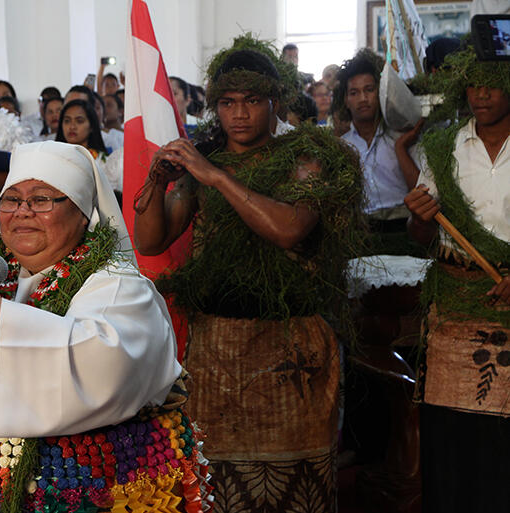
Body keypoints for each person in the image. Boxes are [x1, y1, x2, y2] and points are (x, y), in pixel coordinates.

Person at [0, 140, 210, 511]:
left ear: (82, 212)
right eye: (11, 200)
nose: (22, 212)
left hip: (94, 489)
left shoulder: (121, 286)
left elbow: (99, 364)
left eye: (42, 199)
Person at [133, 39, 364, 512]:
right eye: (228, 103)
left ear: (275, 103)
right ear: (215, 107)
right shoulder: (204, 164)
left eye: (252, 101)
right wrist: (157, 184)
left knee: (297, 486)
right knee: (219, 484)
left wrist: (213, 175)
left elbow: (288, 229)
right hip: (218, 351)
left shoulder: (308, 157)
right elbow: (151, 241)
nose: (239, 114)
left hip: (290, 349)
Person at [399, 45, 510, 513]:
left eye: (492, 82)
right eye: (472, 84)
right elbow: (421, 234)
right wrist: (419, 217)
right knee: (448, 433)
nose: (481, 94)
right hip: (451, 312)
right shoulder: (443, 149)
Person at [335, 49, 416, 237]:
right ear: (346, 100)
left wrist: (401, 149)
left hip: (405, 226)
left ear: (380, 92)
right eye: (354, 93)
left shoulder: (401, 138)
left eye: (369, 90)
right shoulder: (342, 147)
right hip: (361, 232)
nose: (363, 99)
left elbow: (421, 190)